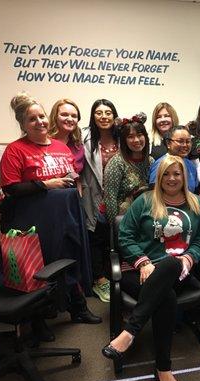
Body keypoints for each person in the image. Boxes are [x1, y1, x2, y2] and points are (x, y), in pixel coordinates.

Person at [102, 155, 200, 381]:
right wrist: (144, 262)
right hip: (140, 272)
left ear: (185, 176)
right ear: (159, 177)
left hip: (177, 271)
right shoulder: (144, 201)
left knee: (171, 264)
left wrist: (189, 258)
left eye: (177, 173)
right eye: (167, 174)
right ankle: (163, 368)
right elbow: (125, 236)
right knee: (166, 297)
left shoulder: (198, 204)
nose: (172, 178)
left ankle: (130, 332)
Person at [0, 92, 101, 328]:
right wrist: (45, 184)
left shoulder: (60, 147)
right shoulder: (15, 150)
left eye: (41, 116)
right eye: (32, 119)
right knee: (39, 267)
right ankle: (38, 321)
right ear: (23, 125)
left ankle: (78, 308)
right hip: (34, 221)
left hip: (66, 217)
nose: (39, 122)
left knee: (70, 260)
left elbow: (72, 177)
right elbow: (10, 188)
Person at [81, 99, 119, 303]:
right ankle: (99, 278)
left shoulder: (121, 137)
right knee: (95, 236)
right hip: (93, 194)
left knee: (114, 237)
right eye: (99, 113)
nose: (104, 116)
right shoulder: (84, 137)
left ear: (114, 116)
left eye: (108, 112)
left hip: (117, 197)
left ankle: (113, 275)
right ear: (93, 116)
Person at [103, 113, 153, 224]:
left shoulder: (151, 161)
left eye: (140, 135)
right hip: (125, 218)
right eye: (130, 137)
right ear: (124, 140)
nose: (136, 140)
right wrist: (116, 226)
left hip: (148, 217)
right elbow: (110, 199)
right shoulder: (117, 163)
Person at [149, 126, 199, 192]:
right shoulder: (160, 164)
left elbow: (194, 190)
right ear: (168, 143)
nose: (185, 145)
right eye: (180, 141)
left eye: (188, 141)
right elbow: (154, 192)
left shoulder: (191, 165)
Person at [48, 99, 85, 174]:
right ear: (55, 117)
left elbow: (77, 175)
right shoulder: (43, 142)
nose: (70, 119)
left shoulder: (78, 146)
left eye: (74, 116)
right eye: (64, 115)